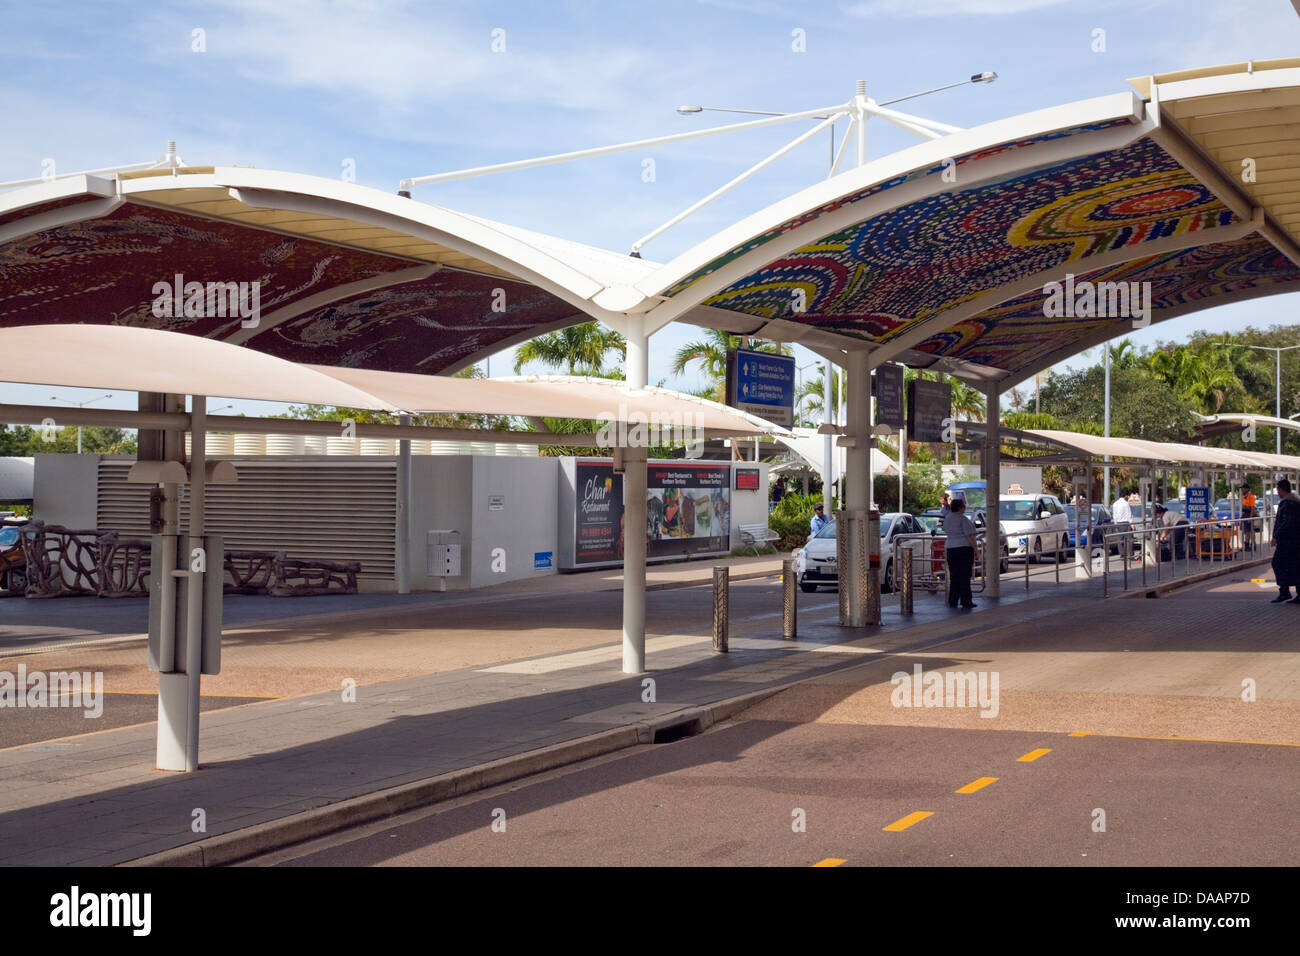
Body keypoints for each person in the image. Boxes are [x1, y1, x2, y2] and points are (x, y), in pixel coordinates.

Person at [942, 497, 978, 609]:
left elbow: (946, 531)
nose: (965, 507)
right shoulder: (963, 519)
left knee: (954, 575)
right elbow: (969, 536)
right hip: (964, 548)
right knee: (965, 576)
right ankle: (966, 600)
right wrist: (976, 549)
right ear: (960, 507)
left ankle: (953, 600)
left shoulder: (947, 518)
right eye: (964, 505)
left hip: (950, 548)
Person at [1270, 478, 1300, 604]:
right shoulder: (1293, 502)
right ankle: (1295, 593)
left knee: (1277, 563)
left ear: (1281, 489)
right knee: (1295, 566)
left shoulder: (1288, 504)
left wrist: (1276, 535)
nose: (1277, 492)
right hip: (1293, 540)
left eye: (1277, 489)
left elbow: (1286, 522)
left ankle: (1284, 591)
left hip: (1288, 541)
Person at [1241, 483, 1257, 551]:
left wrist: (1250, 517)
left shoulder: (1251, 497)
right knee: (1246, 531)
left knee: (1249, 531)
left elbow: (1252, 508)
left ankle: (1251, 545)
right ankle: (1247, 544)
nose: (1242, 489)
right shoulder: (1244, 496)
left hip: (1248, 514)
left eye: (1243, 488)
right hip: (1245, 515)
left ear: (1247, 489)